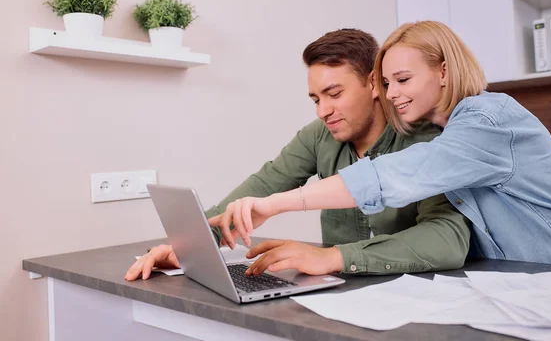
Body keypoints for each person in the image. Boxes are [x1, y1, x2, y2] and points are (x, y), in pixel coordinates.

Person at [212, 21, 551, 269]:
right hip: (524, 279)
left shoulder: (487, 120)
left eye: (402, 80)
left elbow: (399, 173)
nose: (391, 93)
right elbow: (266, 179)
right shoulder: (442, 128)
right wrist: (194, 241)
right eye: (387, 82)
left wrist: (276, 206)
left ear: (443, 71)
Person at [125, 28, 471, 281]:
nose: (323, 111)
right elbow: (262, 186)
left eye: (334, 93)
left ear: (373, 83)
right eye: (316, 99)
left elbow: (447, 238)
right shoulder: (320, 135)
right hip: (340, 292)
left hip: (416, 292)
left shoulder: (426, 139)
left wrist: (332, 257)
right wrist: (185, 247)